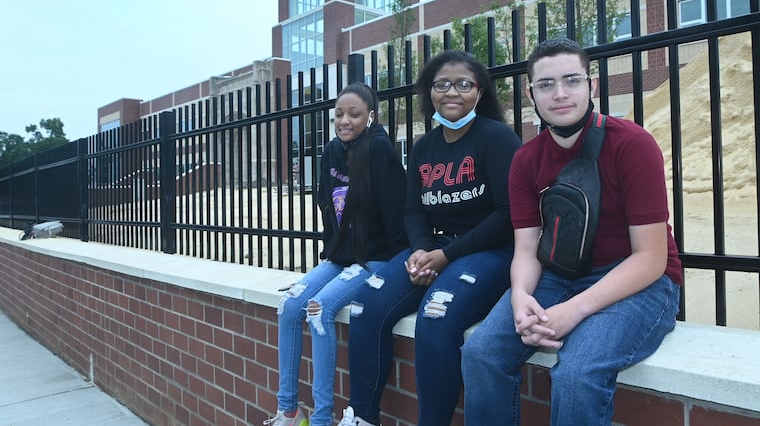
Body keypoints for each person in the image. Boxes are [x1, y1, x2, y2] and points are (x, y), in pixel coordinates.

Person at [461, 37, 683, 425]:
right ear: (531, 94)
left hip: (639, 282)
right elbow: (527, 249)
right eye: (546, 85)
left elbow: (650, 257)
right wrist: (519, 297)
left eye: (572, 80)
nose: (560, 94)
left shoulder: (633, 144)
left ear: (592, 86)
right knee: (481, 353)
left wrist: (575, 310)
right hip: (559, 276)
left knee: (578, 374)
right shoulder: (526, 160)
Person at [338, 50, 523, 426]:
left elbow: (507, 216)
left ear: (480, 92)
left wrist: (446, 256)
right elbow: (413, 211)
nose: (451, 92)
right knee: (364, 306)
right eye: (441, 84)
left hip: (489, 251)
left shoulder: (498, 138)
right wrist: (422, 249)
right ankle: (362, 417)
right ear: (430, 92)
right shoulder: (424, 147)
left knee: (436, 315)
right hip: (436, 249)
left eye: (463, 84)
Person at [264, 83, 408, 426]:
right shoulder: (331, 151)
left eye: (354, 114)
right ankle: (289, 411)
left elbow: (395, 216)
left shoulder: (380, 151)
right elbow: (328, 207)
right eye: (339, 115)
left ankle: (322, 419)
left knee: (318, 310)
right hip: (340, 256)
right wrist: (322, 267)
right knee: (290, 305)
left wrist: (392, 266)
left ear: (371, 116)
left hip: (376, 257)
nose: (345, 121)